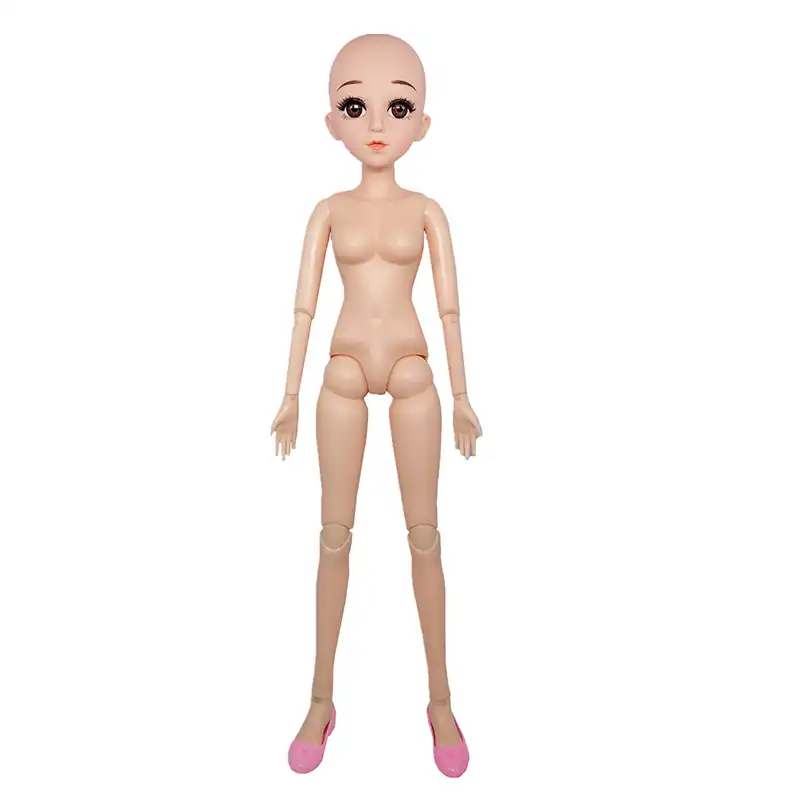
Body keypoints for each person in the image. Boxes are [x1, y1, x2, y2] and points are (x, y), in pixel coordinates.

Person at [271, 33, 482, 778]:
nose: (378, 124)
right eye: (356, 106)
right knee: (334, 536)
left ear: (422, 122)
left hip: (416, 368)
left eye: (398, 106)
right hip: (343, 368)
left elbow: (451, 308)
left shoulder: (428, 210)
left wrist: (463, 394)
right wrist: (289, 394)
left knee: (425, 537)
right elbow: (302, 307)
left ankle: (441, 700)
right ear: (333, 121)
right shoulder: (328, 210)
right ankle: (320, 698)